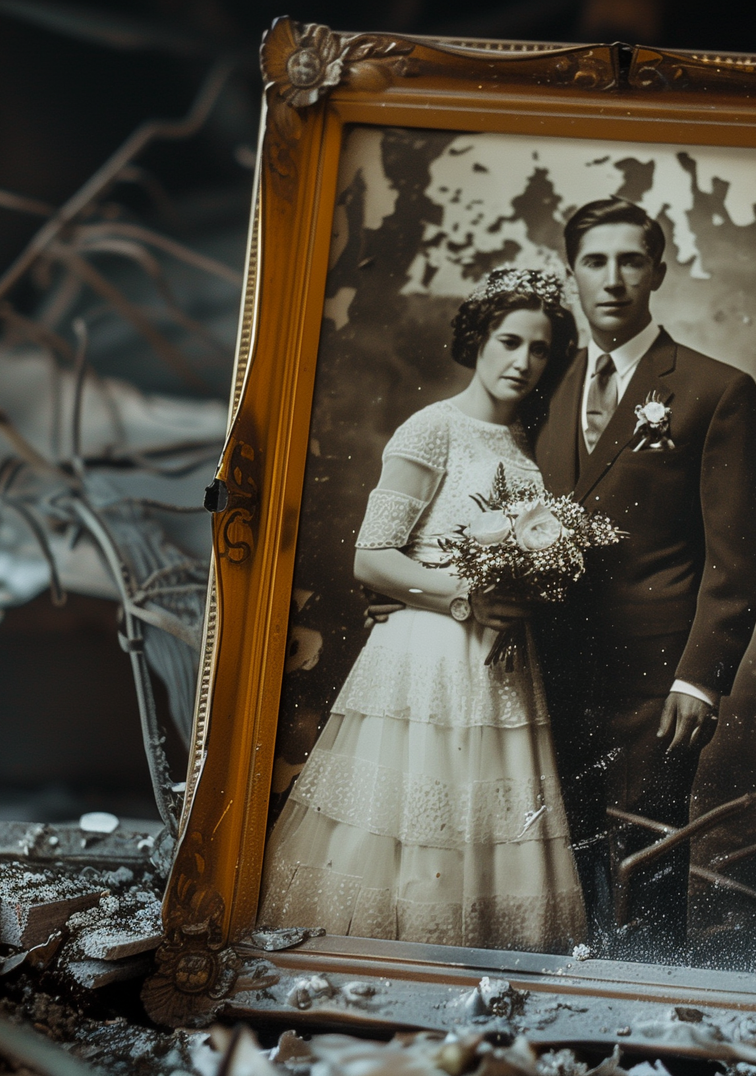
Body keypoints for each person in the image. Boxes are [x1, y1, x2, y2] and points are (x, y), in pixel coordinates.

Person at [260, 268, 587, 952]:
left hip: (501, 660)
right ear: (478, 340)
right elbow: (371, 556)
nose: (523, 361)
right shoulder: (431, 430)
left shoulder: (528, 443)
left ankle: (478, 976)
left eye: (539, 350)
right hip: (430, 653)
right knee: (410, 816)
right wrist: (466, 597)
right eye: (508, 341)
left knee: (490, 816)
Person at [535, 198, 756, 957]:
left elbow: (740, 554)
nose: (613, 279)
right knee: (555, 849)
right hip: (545, 662)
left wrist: (700, 679)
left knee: (646, 847)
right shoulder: (540, 383)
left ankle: (651, 1003)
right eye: (596, 261)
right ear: (572, 272)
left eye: (630, 260)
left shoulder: (714, 388)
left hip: (655, 677)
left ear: (658, 272)